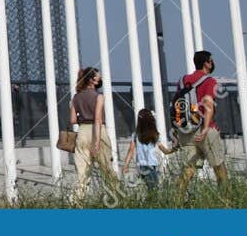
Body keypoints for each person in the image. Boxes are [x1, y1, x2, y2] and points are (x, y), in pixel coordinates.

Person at [176, 50, 228, 189]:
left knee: (188, 169)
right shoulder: (209, 81)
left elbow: (179, 105)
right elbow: (208, 105)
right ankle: (226, 198)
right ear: (206, 64)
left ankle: (177, 199)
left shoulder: (182, 81)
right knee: (219, 167)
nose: (213, 63)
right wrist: (205, 129)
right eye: (211, 61)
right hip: (205, 130)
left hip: (186, 130)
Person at [70, 66, 120, 200]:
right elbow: (97, 119)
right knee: (107, 170)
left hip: (82, 132)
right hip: (97, 132)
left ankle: (76, 203)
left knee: (82, 174)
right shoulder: (99, 96)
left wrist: (83, 118)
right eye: (98, 76)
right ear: (92, 80)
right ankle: (115, 199)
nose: (101, 78)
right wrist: (97, 141)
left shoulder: (76, 97)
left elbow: (73, 120)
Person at [120, 107, 174, 191]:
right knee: (154, 191)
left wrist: (125, 165)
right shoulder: (154, 135)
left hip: (141, 167)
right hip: (151, 167)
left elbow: (130, 151)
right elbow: (165, 151)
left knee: (149, 190)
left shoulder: (136, 135)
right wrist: (174, 149)